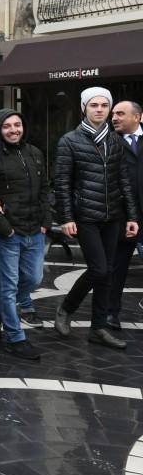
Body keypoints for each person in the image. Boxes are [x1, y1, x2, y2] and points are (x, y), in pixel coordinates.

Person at [54, 87, 139, 348]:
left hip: (113, 216)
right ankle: (67, 307)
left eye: (104, 105)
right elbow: (62, 182)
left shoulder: (115, 140)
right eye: (94, 105)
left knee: (108, 273)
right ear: (84, 108)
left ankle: (98, 328)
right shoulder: (69, 140)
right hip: (86, 217)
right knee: (99, 269)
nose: (100, 110)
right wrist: (66, 217)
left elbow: (123, 180)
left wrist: (131, 216)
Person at [0, 108, 51, 360]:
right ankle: (15, 337)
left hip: (35, 229)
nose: (13, 130)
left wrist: (45, 221)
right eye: (7, 126)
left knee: (33, 279)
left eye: (17, 125)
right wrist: (3, 228)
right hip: (8, 233)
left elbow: (45, 188)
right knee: (7, 286)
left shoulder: (35, 153)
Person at [110, 101, 143, 329]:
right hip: (122, 218)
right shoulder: (109, 142)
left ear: (137, 117)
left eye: (120, 114)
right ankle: (111, 313)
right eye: (114, 114)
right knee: (117, 268)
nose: (114, 118)